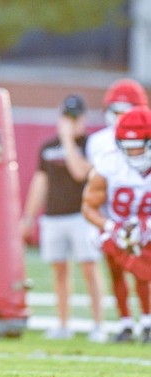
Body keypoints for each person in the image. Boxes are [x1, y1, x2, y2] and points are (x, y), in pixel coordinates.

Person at [20, 94, 106, 342]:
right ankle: (63, 324)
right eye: (66, 116)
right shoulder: (47, 148)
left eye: (74, 117)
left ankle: (98, 325)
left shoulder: (90, 144)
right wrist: (28, 217)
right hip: (54, 218)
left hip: (82, 216)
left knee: (90, 268)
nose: (70, 121)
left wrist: (68, 139)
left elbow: (81, 173)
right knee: (59, 271)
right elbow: (40, 182)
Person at [85, 78, 151, 342]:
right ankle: (125, 321)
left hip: (146, 221)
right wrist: (112, 227)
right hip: (115, 222)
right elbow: (88, 206)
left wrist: (145, 227)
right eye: (128, 147)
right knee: (116, 269)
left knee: (143, 271)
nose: (133, 154)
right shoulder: (108, 161)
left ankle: (147, 320)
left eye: (139, 147)